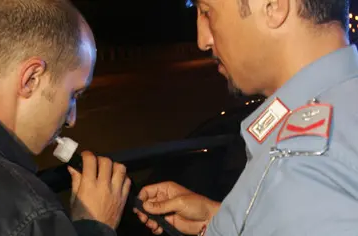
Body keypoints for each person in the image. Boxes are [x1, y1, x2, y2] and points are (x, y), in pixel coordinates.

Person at [135, 0, 358, 235]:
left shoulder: (297, 170)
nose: (203, 40)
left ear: (273, 6)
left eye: (207, 12)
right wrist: (228, 220)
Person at [0, 0, 131, 235]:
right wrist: (95, 227)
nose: (72, 119)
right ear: (31, 79)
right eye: (74, 95)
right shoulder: (23, 212)